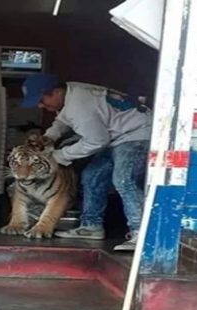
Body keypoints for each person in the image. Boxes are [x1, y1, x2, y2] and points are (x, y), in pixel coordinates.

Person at [20, 74, 152, 251]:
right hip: (117, 135)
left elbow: (96, 141)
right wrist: (49, 137)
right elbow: (63, 120)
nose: (40, 105)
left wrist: (59, 156)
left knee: (123, 179)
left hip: (137, 134)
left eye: (42, 99)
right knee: (92, 176)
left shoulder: (79, 106)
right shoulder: (71, 91)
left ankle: (142, 234)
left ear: (57, 92)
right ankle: (91, 226)